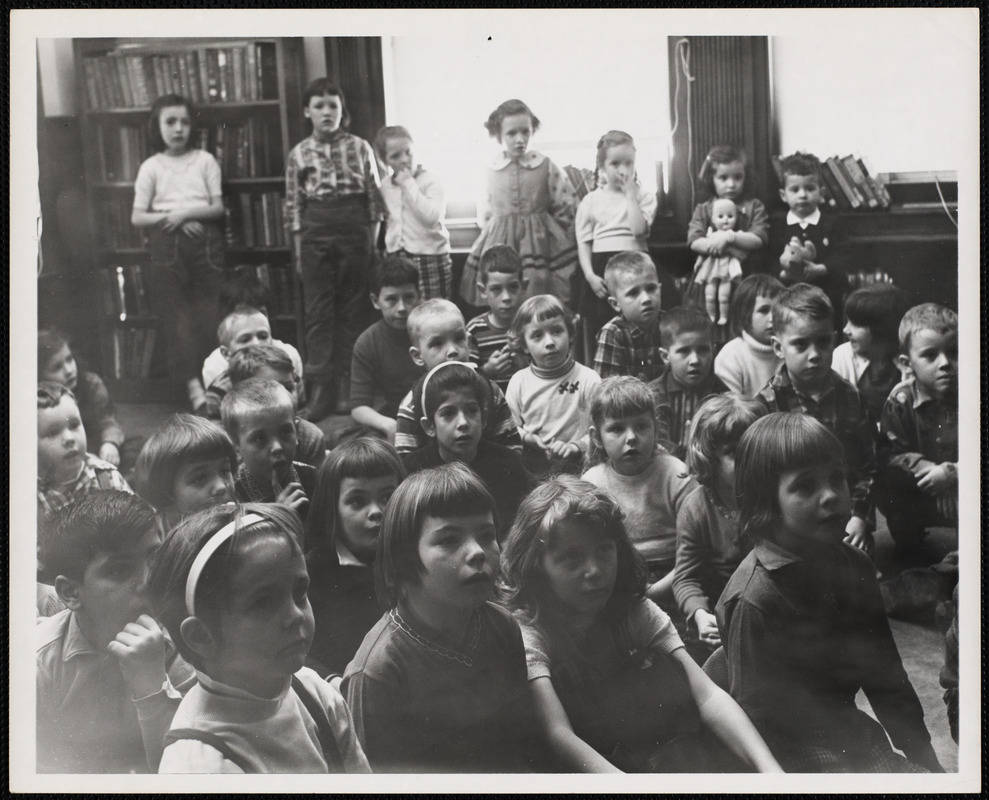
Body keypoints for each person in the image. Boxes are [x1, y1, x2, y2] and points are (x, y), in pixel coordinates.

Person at [501, 476, 783, 774]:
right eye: (572, 558)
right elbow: (559, 735)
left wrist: (772, 772)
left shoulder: (629, 610)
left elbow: (707, 694)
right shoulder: (529, 629)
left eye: (604, 550)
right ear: (536, 566)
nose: (595, 570)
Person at [716, 413, 944, 773]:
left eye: (837, 478)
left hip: (849, 733)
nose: (832, 496)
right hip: (786, 753)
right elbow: (755, 729)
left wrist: (927, 763)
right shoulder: (754, 599)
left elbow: (885, 677)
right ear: (766, 502)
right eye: (806, 486)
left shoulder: (856, 565)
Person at [342, 464, 540, 772]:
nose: (477, 552)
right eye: (449, 540)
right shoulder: (379, 672)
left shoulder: (502, 626)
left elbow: (523, 744)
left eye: (486, 535)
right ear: (404, 556)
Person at [150, 503, 370, 773]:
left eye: (299, 592)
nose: (296, 616)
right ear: (201, 637)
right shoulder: (198, 764)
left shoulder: (311, 690)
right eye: (263, 603)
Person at [37, 491, 195, 773]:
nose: (148, 581)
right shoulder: (39, 663)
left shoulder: (186, 646)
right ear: (70, 592)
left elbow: (183, 772)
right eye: (120, 570)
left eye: (154, 558)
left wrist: (152, 686)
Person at [286, 79, 385, 421]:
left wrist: (371, 242)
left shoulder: (360, 147)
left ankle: (348, 384)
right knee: (318, 313)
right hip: (316, 231)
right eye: (318, 105)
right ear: (307, 111)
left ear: (342, 111)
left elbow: (374, 198)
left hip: (354, 229)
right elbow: (295, 205)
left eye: (333, 105)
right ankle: (321, 388)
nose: (326, 112)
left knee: (353, 310)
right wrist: (300, 250)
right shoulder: (298, 153)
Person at [757, 283, 878, 555]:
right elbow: (761, 481)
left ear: (834, 339)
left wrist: (859, 516)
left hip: (842, 515)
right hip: (791, 523)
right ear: (778, 347)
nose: (814, 354)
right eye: (800, 344)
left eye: (823, 342)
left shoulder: (851, 398)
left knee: (857, 576)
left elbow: (868, 466)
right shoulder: (765, 404)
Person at [131, 94, 225, 414]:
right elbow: (138, 217)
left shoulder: (205, 160)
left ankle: (216, 387)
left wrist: (185, 214)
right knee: (178, 319)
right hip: (167, 244)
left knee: (209, 315)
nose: (178, 128)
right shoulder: (152, 167)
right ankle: (193, 388)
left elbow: (218, 207)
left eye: (184, 122)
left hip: (205, 244)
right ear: (157, 127)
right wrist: (172, 219)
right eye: (170, 122)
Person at [582, 377, 695, 611]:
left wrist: (655, 591)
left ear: (656, 428)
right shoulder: (592, 483)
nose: (631, 437)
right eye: (616, 429)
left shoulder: (676, 475)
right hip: (618, 579)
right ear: (596, 437)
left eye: (641, 426)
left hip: (677, 577)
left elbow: (694, 550)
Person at [673, 394, 767, 660]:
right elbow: (687, 577)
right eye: (735, 453)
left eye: (756, 449)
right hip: (721, 614)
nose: (750, 461)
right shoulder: (696, 507)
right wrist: (700, 615)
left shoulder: (773, 498)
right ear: (710, 458)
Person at [459, 99, 577, 306]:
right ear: (498, 135)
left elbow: (566, 206)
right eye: (511, 134)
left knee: (538, 293)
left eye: (526, 132)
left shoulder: (545, 165)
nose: (520, 139)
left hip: (542, 243)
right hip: (501, 239)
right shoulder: (491, 169)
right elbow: (485, 214)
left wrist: (554, 232)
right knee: (503, 286)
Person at [304, 438, 406, 678]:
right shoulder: (312, 573)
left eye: (387, 498)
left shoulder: (415, 559)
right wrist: (332, 683)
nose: (376, 512)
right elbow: (301, 654)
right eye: (357, 501)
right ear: (332, 509)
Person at [401, 362, 531, 540]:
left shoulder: (506, 462)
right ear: (430, 426)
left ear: (483, 418)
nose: (463, 422)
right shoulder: (415, 471)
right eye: (448, 413)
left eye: (471, 411)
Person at [876, 303, 958, 551]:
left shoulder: (973, 391)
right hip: (920, 487)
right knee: (887, 482)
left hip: (962, 484)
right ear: (906, 362)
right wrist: (928, 469)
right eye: (930, 355)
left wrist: (951, 473)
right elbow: (889, 454)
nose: (945, 363)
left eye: (954, 352)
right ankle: (909, 536)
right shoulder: (900, 401)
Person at [393, 299, 521, 455]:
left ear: (468, 340)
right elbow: (406, 463)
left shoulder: (491, 391)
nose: (452, 350)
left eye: (459, 338)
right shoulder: (412, 405)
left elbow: (511, 448)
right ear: (418, 355)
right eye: (437, 343)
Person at [572, 131, 658, 362]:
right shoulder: (590, 201)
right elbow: (583, 241)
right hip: (602, 267)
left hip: (637, 264)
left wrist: (631, 196)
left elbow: (639, 231)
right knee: (604, 325)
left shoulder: (644, 197)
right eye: (615, 163)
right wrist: (590, 275)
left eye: (628, 163)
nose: (623, 169)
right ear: (602, 166)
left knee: (641, 318)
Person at [505, 294, 600, 477]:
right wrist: (528, 438)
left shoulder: (588, 379)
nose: (549, 342)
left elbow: (601, 429)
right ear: (524, 345)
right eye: (537, 336)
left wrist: (575, 446)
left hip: (580, 469)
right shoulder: (519, 382)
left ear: (570, 334)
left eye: (557, 331)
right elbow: (510, 427)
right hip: (534, 469)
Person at [686, 145, 769, 331]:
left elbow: (758, 238)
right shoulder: (704, 209)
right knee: (709, 324)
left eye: (737, 177)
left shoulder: (754, 206)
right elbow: (694, 241)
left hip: (744, 278)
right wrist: (723, 245)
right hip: (710, 277)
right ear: (711, 179)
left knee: (743, 325)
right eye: (723, 178)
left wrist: (729, 238)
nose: (731, 184)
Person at [769, 152, 849, 331]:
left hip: (827, 294)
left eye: (810, 188)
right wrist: (783, 274)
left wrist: (821, 269)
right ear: (783, 195)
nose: (803, 195)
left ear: (821, 193)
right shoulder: (778, 226)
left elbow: (844, 256)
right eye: (795, 190)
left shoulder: (831, 222)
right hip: (789, 297)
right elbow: (770, 258)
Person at [349, 255, 425, 442]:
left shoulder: (432, 330)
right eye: (391, 299)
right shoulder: (368, 342)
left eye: (408, 297)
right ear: (376, 301)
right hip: (394, 415)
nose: (401, 308)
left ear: (419, 295)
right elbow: (359, 407)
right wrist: (389, 425)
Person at [374, 125, 453, 300]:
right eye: (395, 156)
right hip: (397, 257)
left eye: (408, 152)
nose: (404, 159)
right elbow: (389, 222)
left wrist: (409, 184)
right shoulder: (386, 186)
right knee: (405, 309)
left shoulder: (430, 181)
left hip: (430, 257)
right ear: (384, 161)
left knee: (433, 312)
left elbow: (432, 217)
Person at [200, 272, 304, 404]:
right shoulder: (215, 365)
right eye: (244, 314)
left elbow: (298, 401)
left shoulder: (289, 354)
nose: (256, 344)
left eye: (260, 312)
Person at [220, 379, 315, 517]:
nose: (277, 448)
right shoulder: (232, 500)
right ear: (236, 445)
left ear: (297, 430)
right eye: (260, 439)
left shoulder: (313, 478)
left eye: (285, 432)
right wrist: (277, 516)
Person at [38, 382, 132, 521]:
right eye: (53, 433)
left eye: (74, 425)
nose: (69, 438)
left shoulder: (108, 479)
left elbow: (140, 526)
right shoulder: (29, 499)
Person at [647, 306, 728, 460]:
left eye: (703, 350)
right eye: (684, 351)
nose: (695, 360)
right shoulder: (652, 396)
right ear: (665, 356)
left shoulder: (723, 397)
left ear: (713, 351)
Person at [227, 344, 327, 468]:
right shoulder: (228, 446)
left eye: (289, 388)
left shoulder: (310, 438)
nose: (284, 397)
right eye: (269, 391)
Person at [132, 413, 236, 532]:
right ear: (168, 491)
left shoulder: (236, 519)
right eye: (200, 478)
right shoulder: (157, 539)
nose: (221, 486)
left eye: (224, 471)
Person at [39, 327, 125, 467]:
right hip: (62, 453)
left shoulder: (91, 384)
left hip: (96, 446)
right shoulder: (39, 401)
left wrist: (110, 443)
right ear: (40, 376)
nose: (69, 370)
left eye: (69, 359)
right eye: (57, 367)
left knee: (135, 447)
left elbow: (107, 420)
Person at [832, 283, 912, 424]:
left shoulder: (908, 361)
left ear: (881, 329)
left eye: (856, 324)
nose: (846, 330)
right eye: (847, 321)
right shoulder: (842, 356)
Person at [204, 306, 302, 420]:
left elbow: (300, 413)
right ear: (226, 353)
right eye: (245, 339)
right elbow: (218, 430)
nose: (256, 343)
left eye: (263, 336)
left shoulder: (288, 375)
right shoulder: (219, 389)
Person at [593, 251, 666, 382]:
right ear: (615, 304)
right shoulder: (613, 333)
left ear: (660, 289)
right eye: (633, 293)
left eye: (651, 288)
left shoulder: (671, 324)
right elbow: (606, 390)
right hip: (630, 401)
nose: (646, 299)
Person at [466, 245, 529, 393]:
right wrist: (487, 371)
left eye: (513, 287)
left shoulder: (530, 325)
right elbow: (465, 380)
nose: (506, 297)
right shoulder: (474, 330)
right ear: (483, 291)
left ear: (524, 286)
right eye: (496, 289)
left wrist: (525, 366)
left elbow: (547, 372)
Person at [713, 274, 785, 398]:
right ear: (744, 314)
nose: (773, 318)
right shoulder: (731, 356)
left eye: (778, 310)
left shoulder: (790, 349)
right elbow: (731, 409)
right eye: (763, 310)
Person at [690, 198, 745, 325]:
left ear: (736, 218)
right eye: (720, 216)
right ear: (713, 219)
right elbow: (705, 251)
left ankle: (724, 316)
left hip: (727, 271)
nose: (726, 219)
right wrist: (699, 260)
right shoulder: (711, 235)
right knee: (709, 294)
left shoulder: (733, 235)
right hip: (711, 269)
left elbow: (739, 253)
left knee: (723, 296)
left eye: (730, 216)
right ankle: (711, 315)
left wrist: (730, 245)